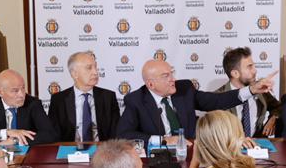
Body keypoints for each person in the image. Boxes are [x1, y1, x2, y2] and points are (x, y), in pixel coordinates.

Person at [115, 58, 273, 143]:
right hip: (158, 158)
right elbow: (124, 134)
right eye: (166, 76)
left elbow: (216, 100)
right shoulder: (136, 100)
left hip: (191, 152)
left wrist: (251, 90)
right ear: (151, 84)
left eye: (171, 73)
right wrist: (163, 140)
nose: (173, 79)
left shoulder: (184, 89)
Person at [0, 69, 58, 146]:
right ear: (0, 92)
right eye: (15, 91)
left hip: (26, 154)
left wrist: (16, 140)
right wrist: (6, 133)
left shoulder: (33, 104)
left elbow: (50, 134)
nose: (21, 95)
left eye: (23, 88)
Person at [47, 51, 119, 143]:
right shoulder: (58, 100)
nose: (95, 72)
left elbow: (115, 134)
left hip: (102, 149)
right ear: (74, 74)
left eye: (95, 67)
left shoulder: (108, 97)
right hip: (70, 149)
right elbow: (53, 135)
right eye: (89, 68)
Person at [216, 47, 281, 139]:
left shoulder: (260, 89)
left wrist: (273, 118)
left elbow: (278, 107)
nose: (255, 71)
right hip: (231, 146)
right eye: (249, 67)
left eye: (254, 66)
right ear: (235, 73)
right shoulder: (217, 98)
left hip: (257, 145)